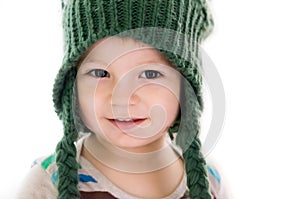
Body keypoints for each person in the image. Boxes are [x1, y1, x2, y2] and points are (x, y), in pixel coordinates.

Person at [17, 0, 229, 198]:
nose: (122, 97)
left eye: (150, 74)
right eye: (100, 73)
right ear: (72, 83)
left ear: (185, 88)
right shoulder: (46, 185)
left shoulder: (210, 180)